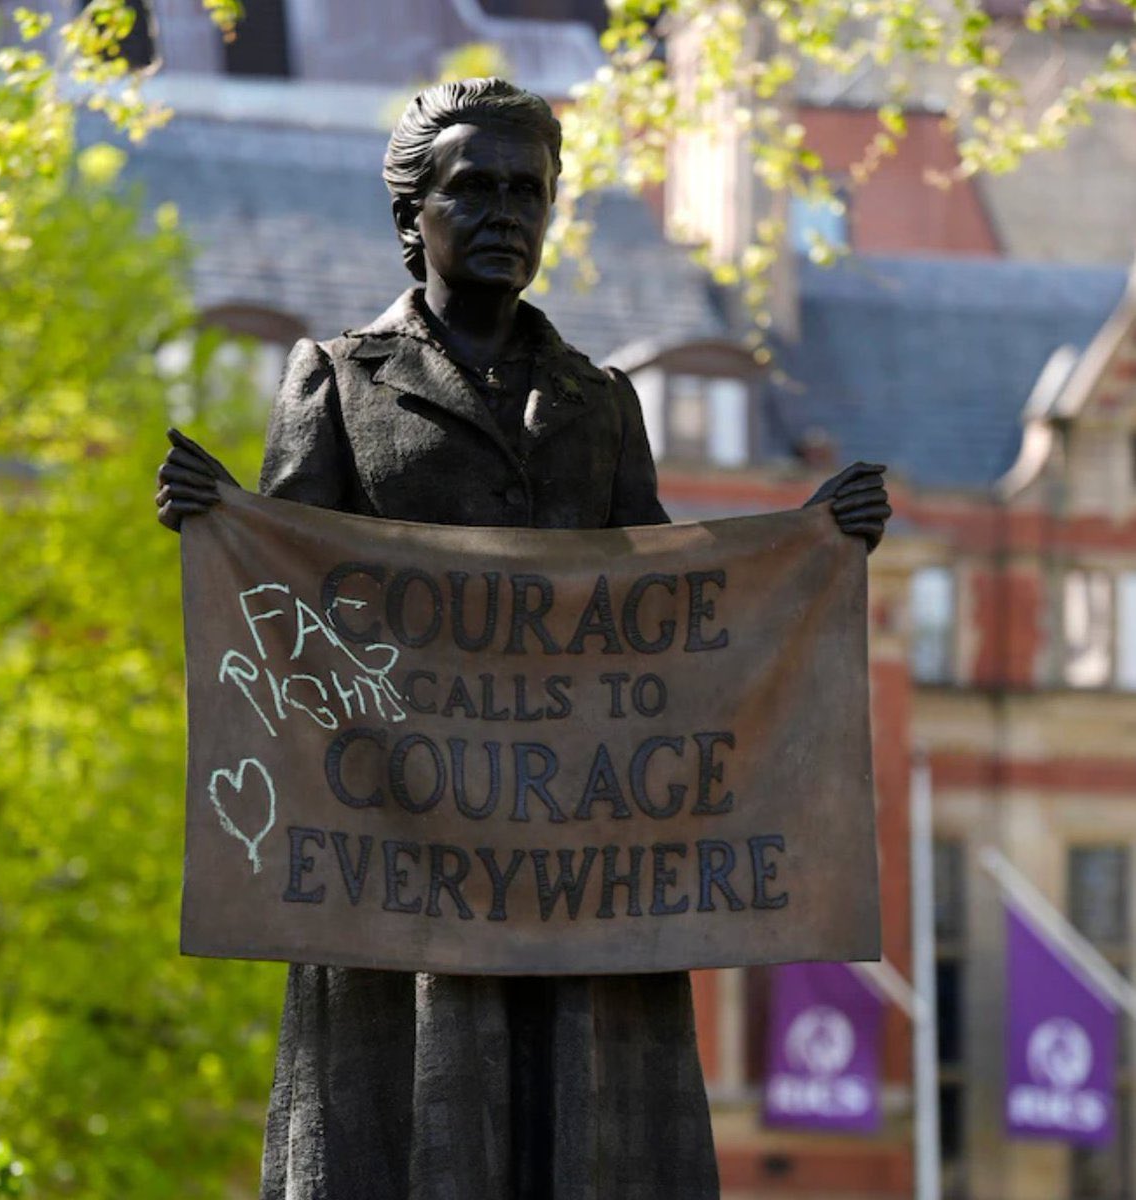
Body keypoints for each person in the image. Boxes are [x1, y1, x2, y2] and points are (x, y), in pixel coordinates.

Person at [157, 78, 890, 1200]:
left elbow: (672, 623)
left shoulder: (599, 401)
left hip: (579, 873)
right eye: (475, 188)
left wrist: (808, 554)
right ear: (414, 218)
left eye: (528, 191)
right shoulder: (338, 383)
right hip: (399, 872)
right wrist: (221, 525)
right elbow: (283, 620)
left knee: (585, 1144)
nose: (506, 211)